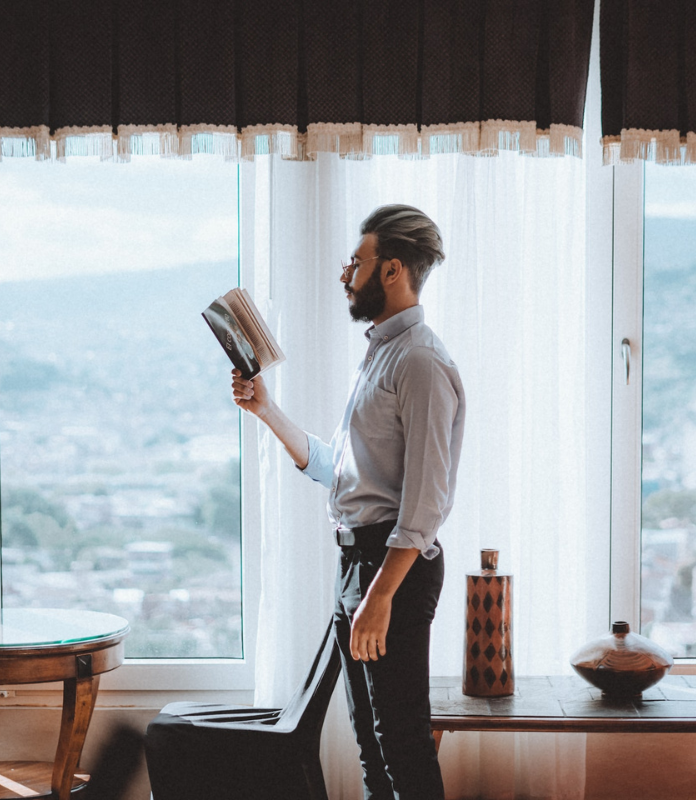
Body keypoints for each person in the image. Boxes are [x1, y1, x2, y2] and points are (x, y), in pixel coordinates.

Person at [231, 204, 465, 799]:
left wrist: (381, 595)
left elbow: (426, 499)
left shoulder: (420, 360)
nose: (344, 274)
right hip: (359, 566)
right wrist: (265, 409)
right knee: (371, 743)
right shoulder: (381, 353)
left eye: (354, 262)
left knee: (401, 744)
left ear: (391, 270)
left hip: (392, 573)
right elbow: (341, 468)